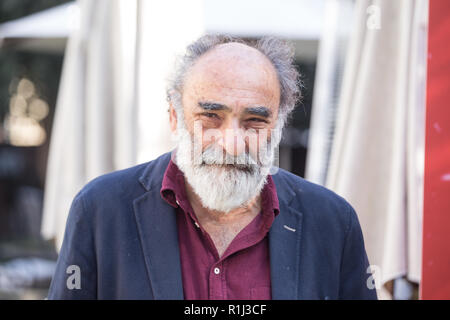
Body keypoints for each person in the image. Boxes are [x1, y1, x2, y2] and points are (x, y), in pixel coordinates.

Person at [47, 34, 377, 300]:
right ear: (175, 116)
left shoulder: (333, 223)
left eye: (255, 121)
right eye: (211, 117)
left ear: (279, 124)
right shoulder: (101, 210)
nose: (232, 143)